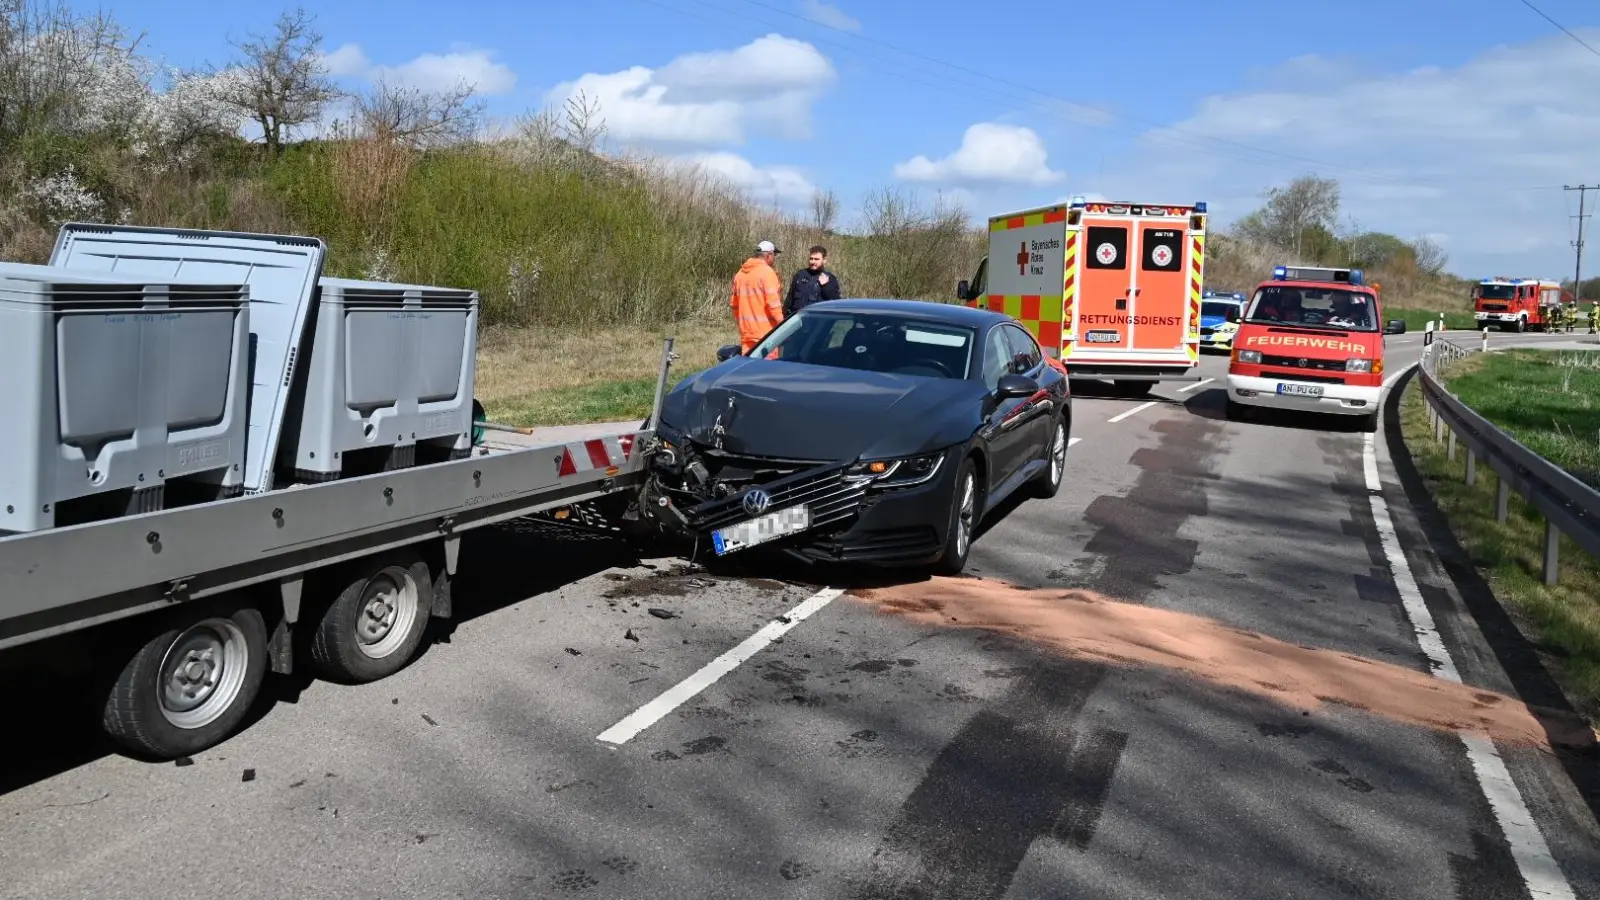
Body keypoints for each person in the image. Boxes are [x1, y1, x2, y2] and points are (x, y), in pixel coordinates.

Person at [731, 240, 785, 354]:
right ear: (768, 255)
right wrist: (784, 326)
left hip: (746, 333)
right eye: (774, 255)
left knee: (749, 368)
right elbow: (774, 305)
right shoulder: (768, 273)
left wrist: (743, 324)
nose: (774, 258)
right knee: (767, 370)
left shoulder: (740, 274)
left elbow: (734, 306)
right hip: (766, 335)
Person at [783, 244, 842, 316]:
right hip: (797, 318)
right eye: (811, 259)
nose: (813, 262)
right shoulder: (800, 275)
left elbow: (835, 302)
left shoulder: (829, 278)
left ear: (824, 260)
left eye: (816, 259)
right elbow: (789, 299)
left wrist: (825, 286)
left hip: (816, 320)